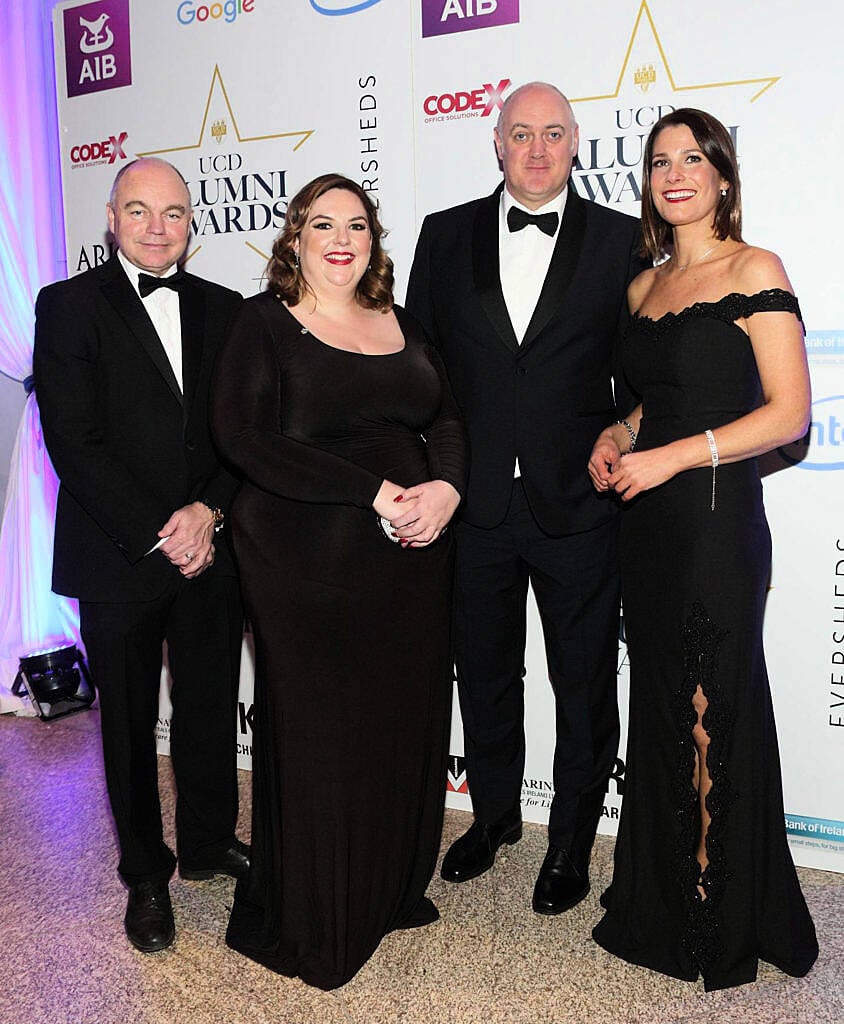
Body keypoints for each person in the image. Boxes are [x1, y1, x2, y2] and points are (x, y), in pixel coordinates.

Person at [211, 173, 466, 990]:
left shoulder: (401, 320)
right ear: (295, 238)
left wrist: (448, 491)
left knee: (399, 723)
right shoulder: (264, 323)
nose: (341, 238)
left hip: (409, 556)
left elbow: (449, 418)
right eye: (323, 224)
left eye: (356, 224)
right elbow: (244, 439)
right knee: (326, 735)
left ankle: (388, 886)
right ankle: (320, 913)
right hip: (305, 562)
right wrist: (373, 491)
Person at [588, 108, 818, 990]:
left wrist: (671, 456)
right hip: (645, 525)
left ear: (722, 174)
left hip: (716, 520)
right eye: (658, 162)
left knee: (709, 708)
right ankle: (660, 895)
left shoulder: (755, 268)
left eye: (693, 159)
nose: (674, 174)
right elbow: (663, 395)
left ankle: (720, 912)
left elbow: (787, 413)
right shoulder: (644, 285)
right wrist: (619, 430)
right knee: (658, 706)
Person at [405, 81, 646, 915]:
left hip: (580, 502)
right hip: (471, 506)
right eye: (520, 134)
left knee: (582, 683)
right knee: (485, 675)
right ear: (495, 143)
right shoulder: (444, 234)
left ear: (576, 142)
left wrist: (621, 437)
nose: (536, 149)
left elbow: (648, 377)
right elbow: (421, 373)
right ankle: (494, 819)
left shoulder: (623, 243)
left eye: (553, 133)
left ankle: (573, 839)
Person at [33, 158, 248, 954]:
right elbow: (74, 443)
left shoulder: (226, 309)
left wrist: (209, 511)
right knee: (126, 723)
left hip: (211, 546)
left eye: (175, 212)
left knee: (205, 704)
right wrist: (165, 529)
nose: (158, 227)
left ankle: (207, 842)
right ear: (112, 219)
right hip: (117, 551)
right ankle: (144, 874)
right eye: (140, 211)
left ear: (193, 222)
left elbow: (243, 432)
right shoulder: (67, 306)